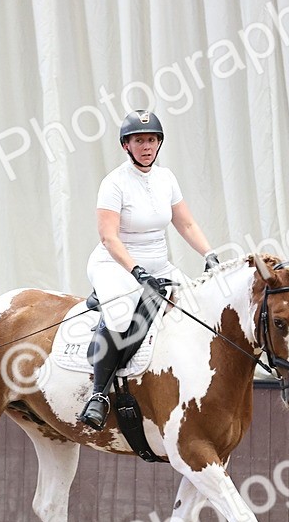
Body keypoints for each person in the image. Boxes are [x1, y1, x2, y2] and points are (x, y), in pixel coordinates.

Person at [79, 110, 220, 430]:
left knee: (198, 306)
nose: (147, 146)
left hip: (159, 264)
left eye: (152, 139)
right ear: (126, 145)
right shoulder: (114, 183)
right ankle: (98, 395)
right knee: (120, 313)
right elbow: (108, 236)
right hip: (116, 263)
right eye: (139, 140)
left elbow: (185, 222)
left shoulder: (166, 178)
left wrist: (209, 253)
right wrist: (136, 272)